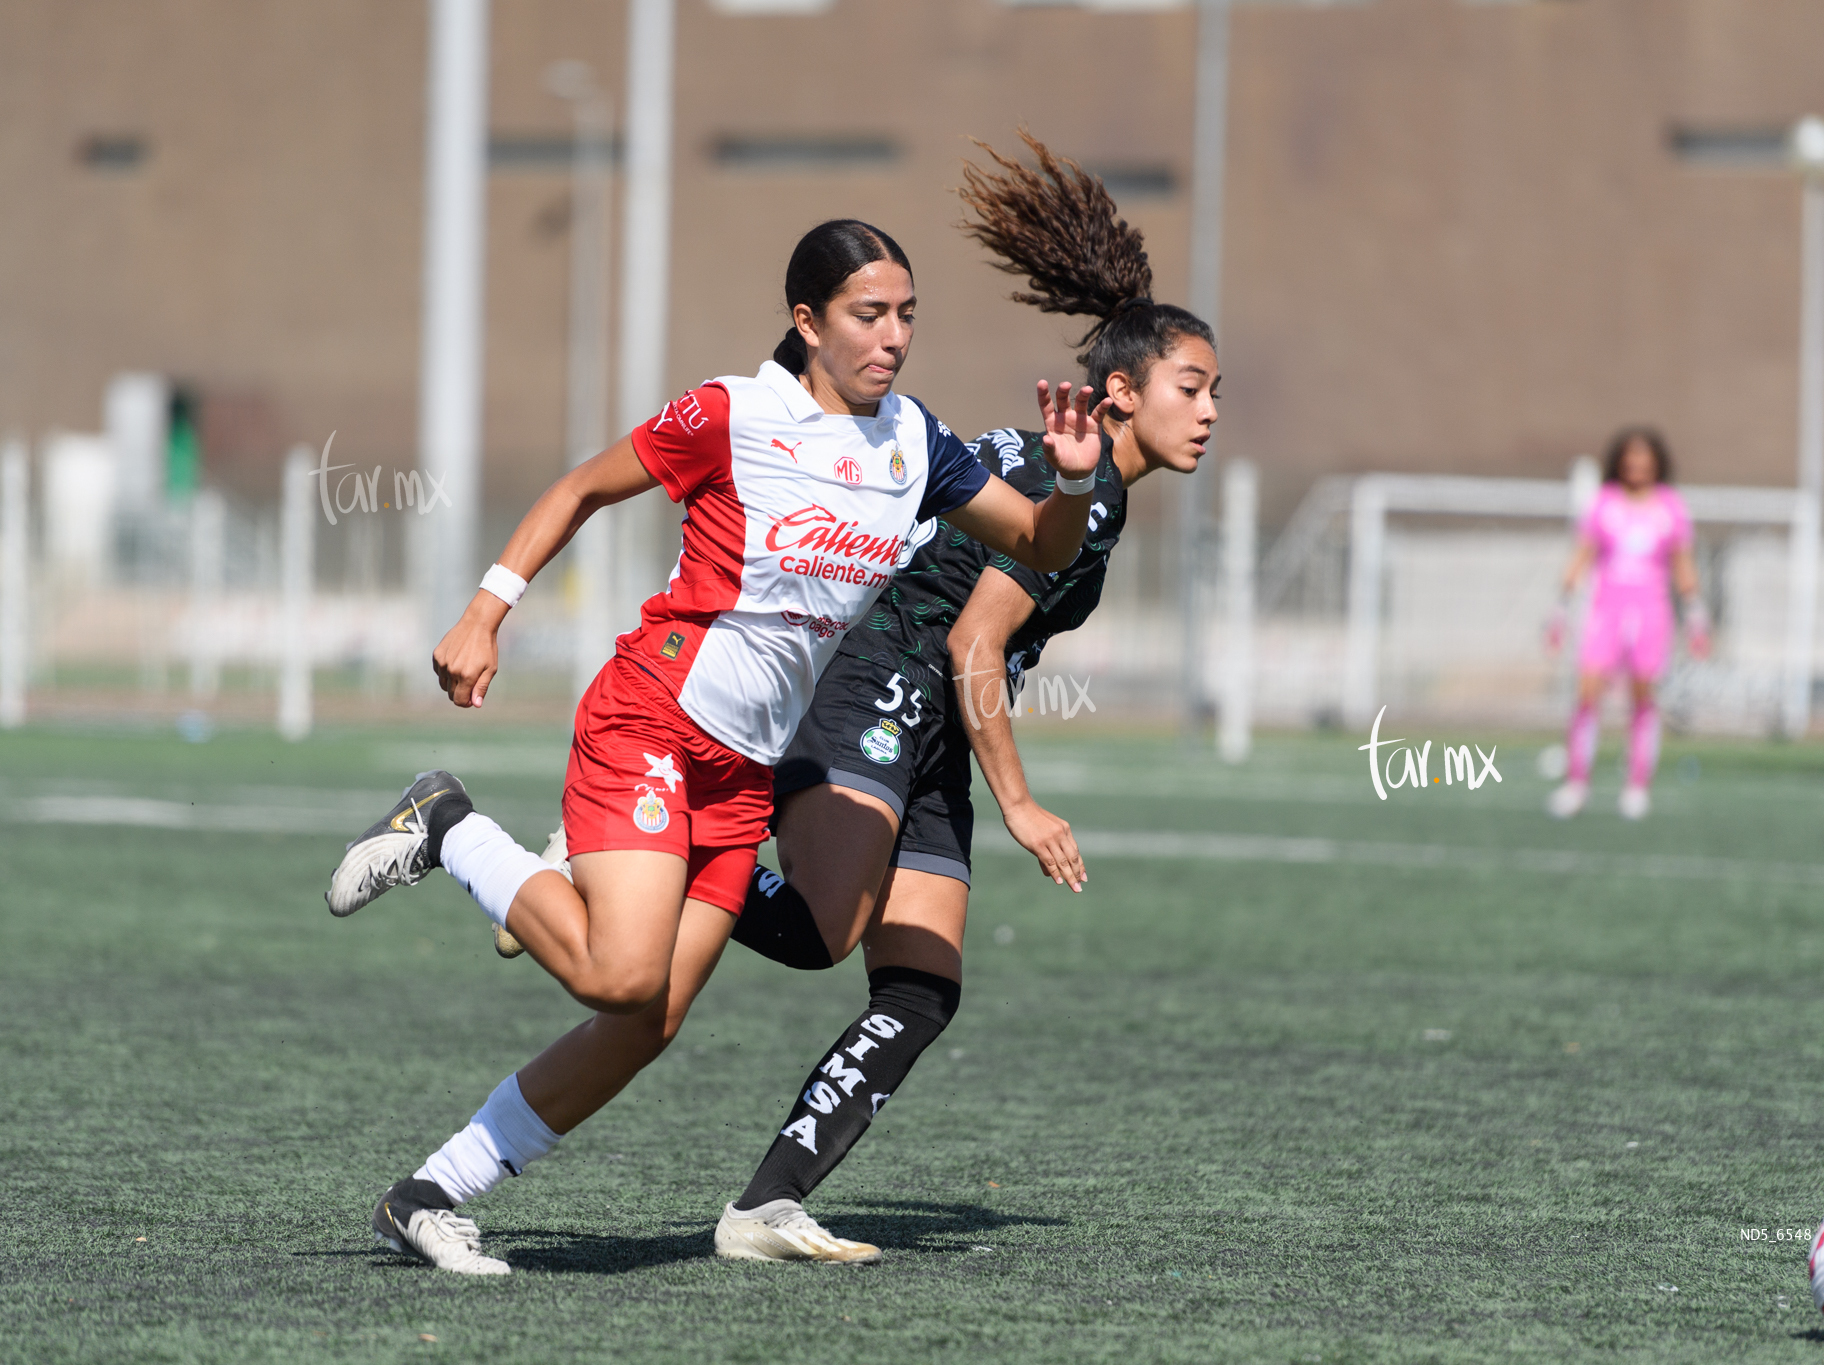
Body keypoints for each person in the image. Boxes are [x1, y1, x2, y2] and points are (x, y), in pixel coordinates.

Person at [321, 218, 1109, 1274]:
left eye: (906, 315)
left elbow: (1036, 544)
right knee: (619, 976)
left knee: (649, 1020)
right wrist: (484, 611)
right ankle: (447, 825)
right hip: (652, 713)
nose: (892, 338)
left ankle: (429, 1193)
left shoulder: (915, 441)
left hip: (740, 770)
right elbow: (579, 489)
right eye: (867, 315)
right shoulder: (733, 412)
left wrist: (1065, 482)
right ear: (806, 321)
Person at [703, 135, 1219, 1262]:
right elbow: (975, 645)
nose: (1209, 411)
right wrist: (1025, 805)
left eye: (1215, 390)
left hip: (929, 727)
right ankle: (632, 854)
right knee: (817, 934)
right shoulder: (1061, 483)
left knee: (920, 989)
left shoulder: (1081, 482)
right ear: (1121, 393)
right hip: (882, 683)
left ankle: (764, 1208)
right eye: (1191, 388)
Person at [1544, 427, 1708, 821]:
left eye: (1644, 457)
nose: (1636, 465)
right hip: (1606, 610)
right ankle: (1577, 782)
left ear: (1657, 462)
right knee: (1588, 691)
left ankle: (1636, 786)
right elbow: (1582, 556)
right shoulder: (1604, 503)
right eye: (1630, 457)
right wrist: (1560, 608)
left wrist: (1697, 615)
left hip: (1650, 612)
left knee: (1643, 696)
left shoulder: (1670, 507)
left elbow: (1682, 564)